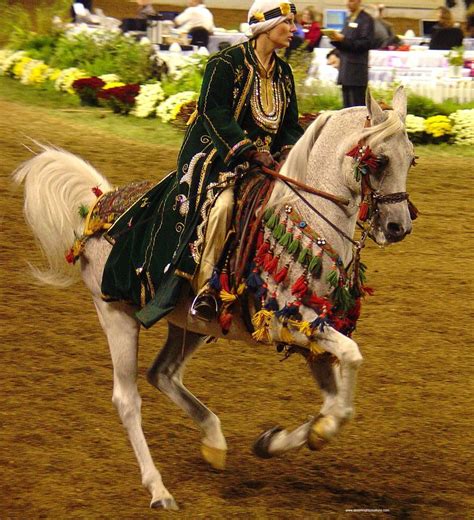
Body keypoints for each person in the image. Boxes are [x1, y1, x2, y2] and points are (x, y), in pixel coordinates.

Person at [101, 0, 304, 326]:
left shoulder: (283, 72)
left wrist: (288, 150)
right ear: (266, 25)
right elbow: (214, 111)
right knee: (224, 206)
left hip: (265, 163)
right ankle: (208, 287)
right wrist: (247, 150)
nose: (293, 29)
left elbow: (290, 122)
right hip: (217, 158)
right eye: (288, 23)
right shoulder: (225, 63)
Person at [327, 0, 374, 108]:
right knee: (346, 108)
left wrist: (343, 39)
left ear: (359, 1)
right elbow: (345, 42)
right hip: (345, 69)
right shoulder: (349, 18)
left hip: (356, 71)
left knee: (356, 108)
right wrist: (335, 42)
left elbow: (365, 44)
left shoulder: (366, 20)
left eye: (351, 0)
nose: (348, 3)